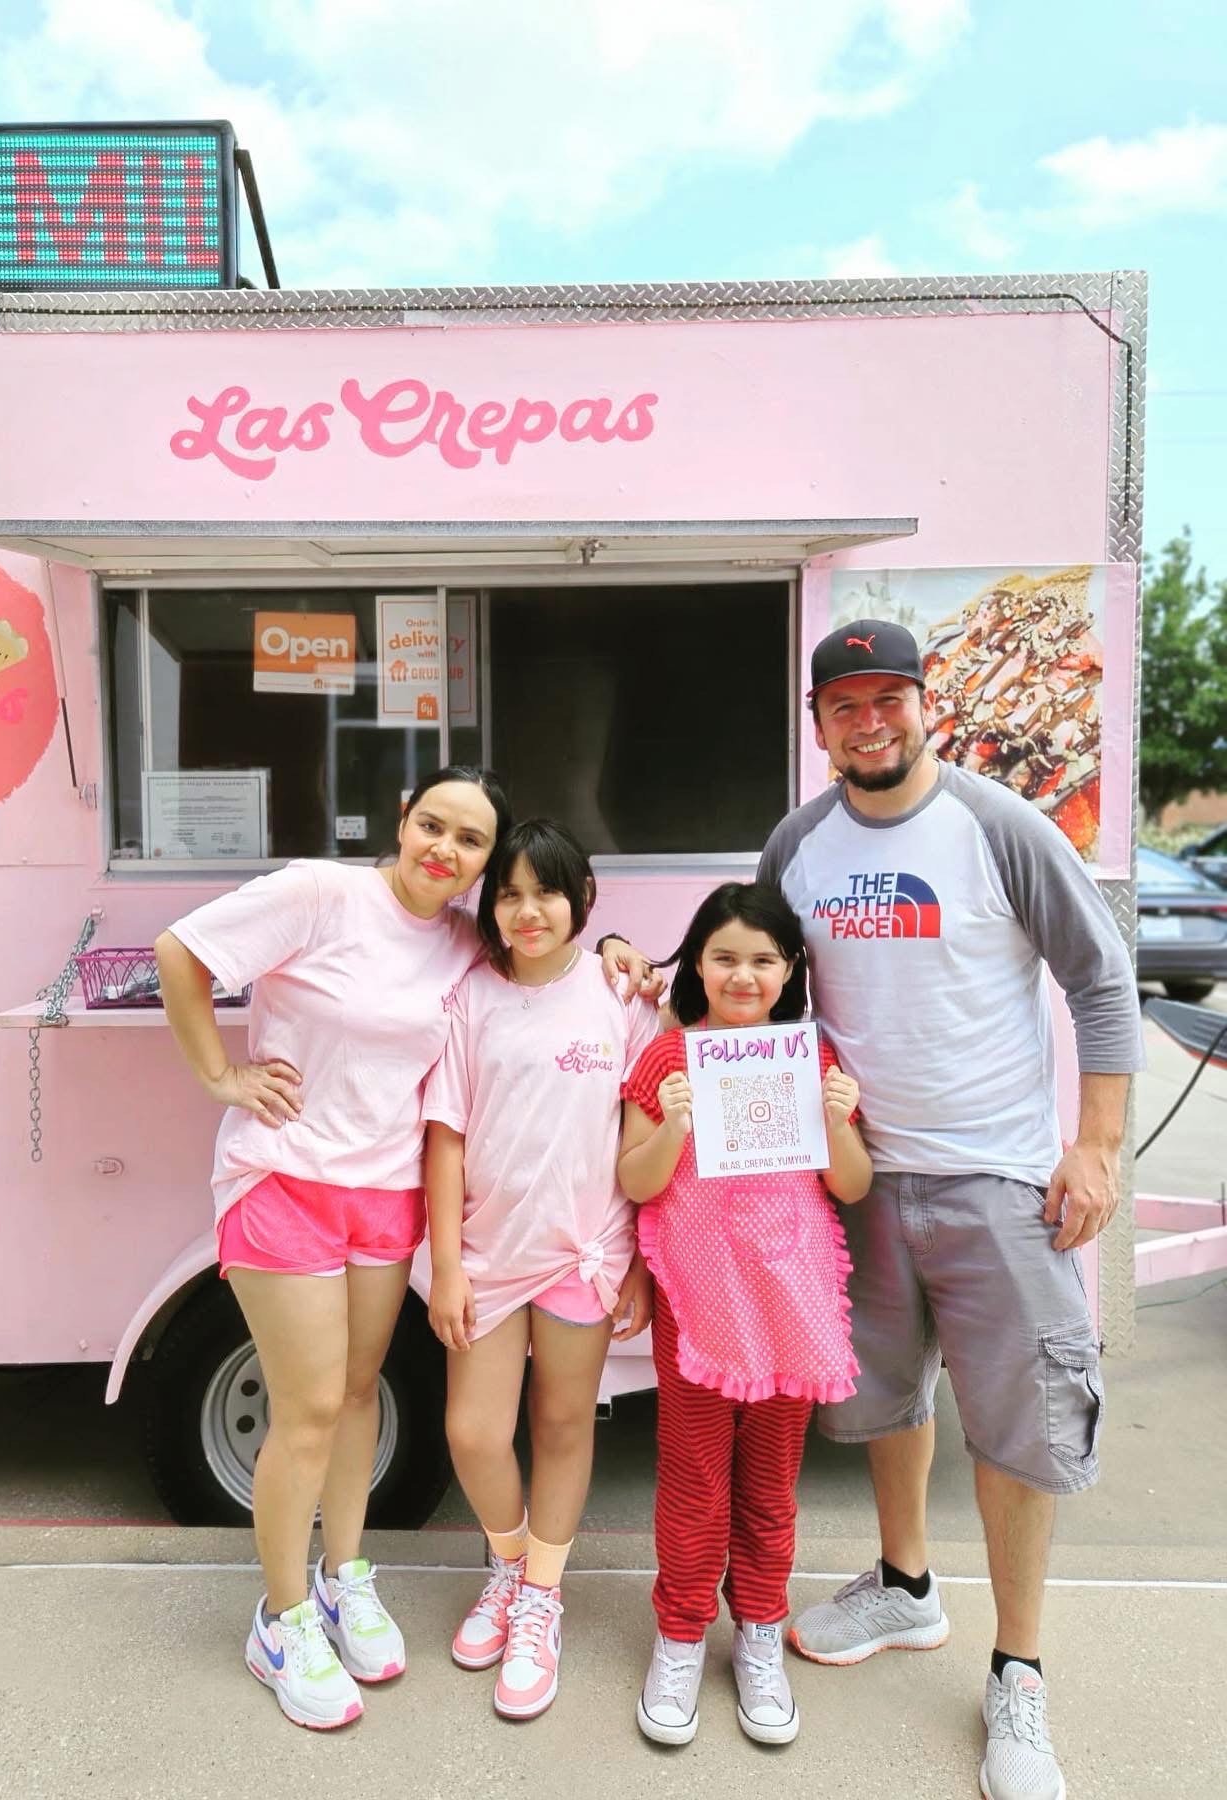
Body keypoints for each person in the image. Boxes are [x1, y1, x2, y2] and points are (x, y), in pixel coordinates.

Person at [154, 768, 657, 1733]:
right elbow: (181, 950)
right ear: (402, 819)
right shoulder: (319, 892)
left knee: (354, 1395)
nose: (447, 851)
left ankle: (346, 1578)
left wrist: (621, 949)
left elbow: (557, 939)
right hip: (286, 1179)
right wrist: (221, 1074)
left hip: (384, 1195)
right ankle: (284, 1618)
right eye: (435, 825)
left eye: (472, 843)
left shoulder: (469, 943)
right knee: (304, 1409)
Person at [758, 620, 1143, 1800]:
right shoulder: (799, 844)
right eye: (845, 706)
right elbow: (751, 972)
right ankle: (905, 1586)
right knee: (883, 1400)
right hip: (863, 1179)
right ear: (818, 726)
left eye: (890, 700)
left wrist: (1095, 1147)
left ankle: (1018, 1674)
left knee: (1017, 1427)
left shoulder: (999, 824)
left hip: (1000, 1181)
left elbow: (1102, 978)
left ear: (927, 705)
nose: (870, 722)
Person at [619, 882, 871, 1749]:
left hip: (788, 1299)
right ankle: (682, 1634)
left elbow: (851, 1184)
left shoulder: (814, 1059)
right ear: (696, 962)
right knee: (694, 1479)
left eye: (764, 959)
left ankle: (759, 1631)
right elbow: (636, 1181)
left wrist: (838, 1122)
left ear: (790, 968)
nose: (743, 975)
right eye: (724, 956)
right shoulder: (664, 1062)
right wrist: (672, 1128)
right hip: (699, 1304)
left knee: (769, 1486)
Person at [423, 819, 659, 1721]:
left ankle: (541, 1600)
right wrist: (445, 1265)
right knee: (475, 1434)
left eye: (546, 892)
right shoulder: (470, 1000)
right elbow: (444, 1141)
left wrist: (637, 1260)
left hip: (584, 1253)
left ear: (582, 901)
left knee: (563, 1423)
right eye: (510, 894)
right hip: (488, 1257)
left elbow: (641, 1138)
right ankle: (510, 1563)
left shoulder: (620, 1001)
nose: (528, 910)